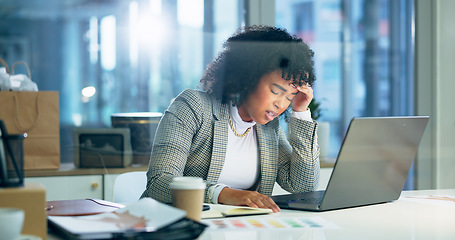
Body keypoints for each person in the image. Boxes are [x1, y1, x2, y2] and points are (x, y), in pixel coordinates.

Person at [141, 25, 320, 213]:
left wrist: (300, 111)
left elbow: (303, 186)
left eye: (289, 97)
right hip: (177, 224)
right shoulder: (193, 106)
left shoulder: (269, 128)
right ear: (248, 78)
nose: (281, 104)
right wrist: (225, 194)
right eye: (276, 91)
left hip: (237, 227)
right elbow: (159, 182)